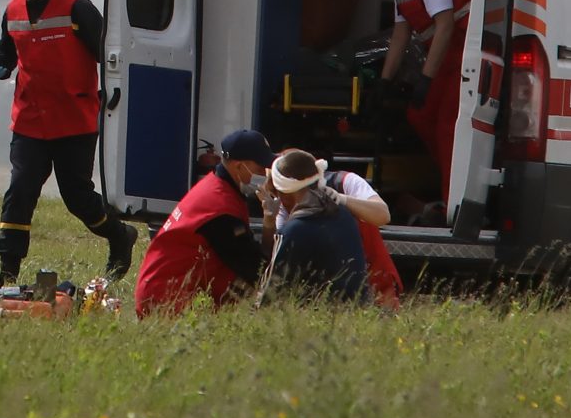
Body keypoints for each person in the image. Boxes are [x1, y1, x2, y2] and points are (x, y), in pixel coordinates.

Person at [0, 0, 140, 284]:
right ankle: (7, 272)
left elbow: (107, 54)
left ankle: (119, 234)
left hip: (74, 120)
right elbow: (6, 52)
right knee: (20, 190)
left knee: (77, 197)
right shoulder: (12, 9)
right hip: (29, 120)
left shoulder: (77, 7)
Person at [362, 0, 473, 206]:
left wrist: (425, 79)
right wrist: (383, 83)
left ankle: (454, 202)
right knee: (420, 115)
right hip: (445, 59)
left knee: (448, 126)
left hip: (465, 54)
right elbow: (400, 35)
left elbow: (445, 27)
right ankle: (453, 176)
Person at [134, 129, 274, 317]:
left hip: (162, 291)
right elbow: (257, 271)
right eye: (260, 168)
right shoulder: (221, 210)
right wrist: (271, 222)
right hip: (168, 303)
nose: (265, 174)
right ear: (239, 166)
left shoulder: (218, 186)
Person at [264, 156, 402, 308]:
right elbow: (281, 251)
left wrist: (342, 199)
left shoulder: (345, 181)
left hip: (375, 275)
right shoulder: (288, 210)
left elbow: (383, 215)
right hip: (348, 293)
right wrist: (269, 221)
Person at [260, 148, 371, 303]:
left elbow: (270, 291)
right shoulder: (344, 215)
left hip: (320, 317)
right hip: (358, 313)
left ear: (284, 194)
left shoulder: (294, 230)